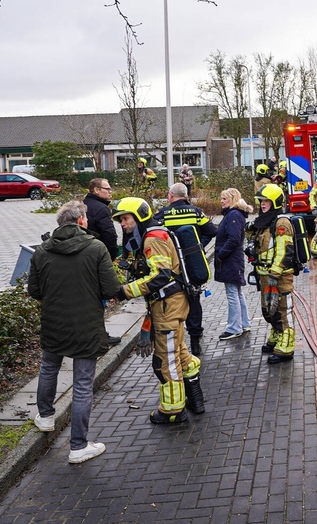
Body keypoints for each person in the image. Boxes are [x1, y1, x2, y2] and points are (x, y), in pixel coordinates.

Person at [27, 200, 120, 464]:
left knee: (48, 368)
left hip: (54, 323)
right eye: (87, 219)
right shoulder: (96, 248)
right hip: (86, 325)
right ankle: (78, 447)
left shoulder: (42, 251)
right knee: (81, 385)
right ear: (80, 221)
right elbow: (110, 288)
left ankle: (45, 417)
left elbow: (34, 291)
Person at [113, 197, 204, 424]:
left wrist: (126, 290)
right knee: (181, 355)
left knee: (166, 361)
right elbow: (159, 268)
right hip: (171, 305)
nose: (122, 224)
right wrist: (134, 266)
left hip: (167, 308)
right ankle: (195, 399)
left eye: (125, 219)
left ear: (140, 215)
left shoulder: (153, 238)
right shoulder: (152, 235)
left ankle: (172, 411)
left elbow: (161, 275)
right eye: (120, 220)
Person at [153, 183, 217, 357]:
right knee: (194, 298)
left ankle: (178, 340)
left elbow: (153, 234)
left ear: (171, 196)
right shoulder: (195, 212)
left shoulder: (162, 214)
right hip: (193, 263)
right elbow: (212, 231)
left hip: (171, 265)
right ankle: (195, 340)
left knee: (174, 299)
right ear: (186, 196)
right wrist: (198, 247)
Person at [246, 184, 296, 363]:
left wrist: (275, 273)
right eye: (261, 201)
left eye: (266, 201)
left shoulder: (281, 222)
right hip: (264, 275)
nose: (262, 204)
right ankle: (276, 336)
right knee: (269, 310)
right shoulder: (263, 221)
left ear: (275, 201)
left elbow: (284, 250)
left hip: (279, 276)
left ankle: (286, 347)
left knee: (283, 310)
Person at [215, 188, 253, 340]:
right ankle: (244, 323)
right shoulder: (234, 214)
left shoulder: (233, 215)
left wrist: (220, 255)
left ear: (232, 199)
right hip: (233, 259)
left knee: (232, 293)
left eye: (224, 198)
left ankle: (234, 328)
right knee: (237, 292)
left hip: (230, 260)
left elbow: (234, 239)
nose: (221, 201)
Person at [83, 178, 118, 258]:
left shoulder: (81, 204)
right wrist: (111, 256)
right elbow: (109, 235)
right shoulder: (102, 209)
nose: (110, 192)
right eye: (107, 189)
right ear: (96, 190)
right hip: (98, 253)